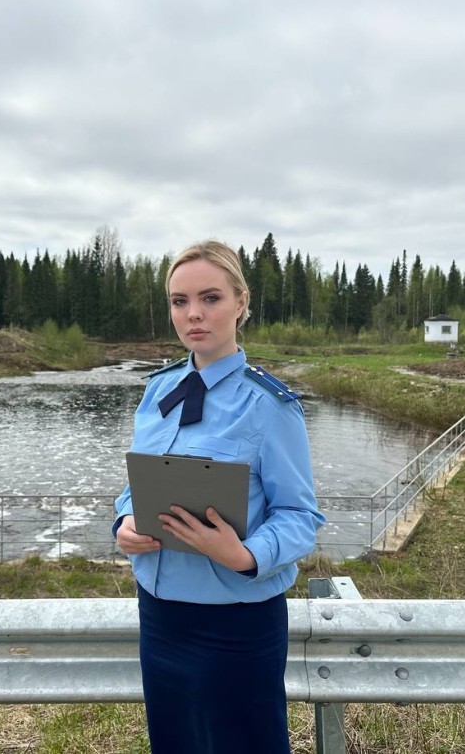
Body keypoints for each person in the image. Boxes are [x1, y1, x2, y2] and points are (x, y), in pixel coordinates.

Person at [113, 239, 325, 753]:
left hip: (236, 621)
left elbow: (301, 515)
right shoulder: (156, 390)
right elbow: (135, 483)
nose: (193, 315)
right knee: (174, 743)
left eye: (210, 298)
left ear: (241, 302)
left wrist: (245, 555)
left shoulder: (270, 406)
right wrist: (123, 522)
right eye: (179, 301)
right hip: (160, 614)